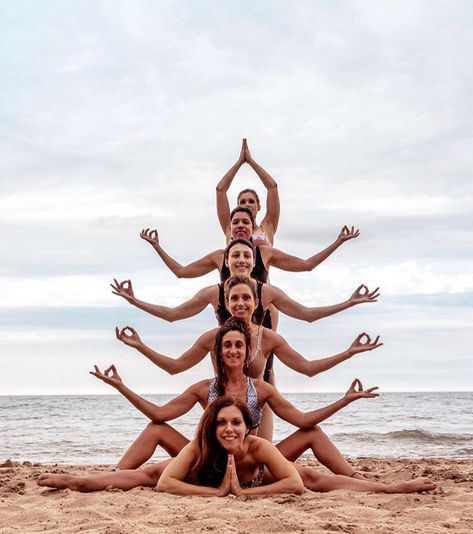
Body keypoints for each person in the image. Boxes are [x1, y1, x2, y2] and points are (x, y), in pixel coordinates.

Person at [37, 321, 436, 495]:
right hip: (205, 462)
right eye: (226, 344)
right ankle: (89, 477)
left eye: (238, 345)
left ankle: (378, 483)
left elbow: (302, 423)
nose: (231, 349)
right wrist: (122, 386)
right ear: (219, 351)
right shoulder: (202, 389)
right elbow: (159, 418)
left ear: (247, 353)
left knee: (312, 475)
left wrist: (345, 401)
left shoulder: (259, 391)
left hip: (251, 464)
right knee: (147, 470)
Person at [111, 238, 379, 331]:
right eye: (235, 255)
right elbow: (172, 315)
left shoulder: (267, 292)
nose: (241, 260)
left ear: (254, 263)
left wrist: (349, 302)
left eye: (247, 256)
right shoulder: (212, 292)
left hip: (260, 357)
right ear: (226, 261)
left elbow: (307, 315)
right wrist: (134, 301)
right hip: (228, 357)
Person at [140, 207, 359, 284]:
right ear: (230, 228)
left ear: (253, 226)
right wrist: (157, 247)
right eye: (235, 222)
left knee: (265, 374)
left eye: (246, 222)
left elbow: (307, 264)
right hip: (230, 321)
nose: (240, 226)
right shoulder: (220, 256)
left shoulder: (265, 253)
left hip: (261, 319)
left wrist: (337, 242)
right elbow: (181, 272)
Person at [215, 139, 280, 247]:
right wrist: (239, 162)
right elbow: (220, 190)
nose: (247, 204)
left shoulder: (267, 226)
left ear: (258, 207)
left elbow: (272, 188)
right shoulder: (230, 228)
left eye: (251, 201)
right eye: (243, 201)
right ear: (238, 206)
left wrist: (251, 161)